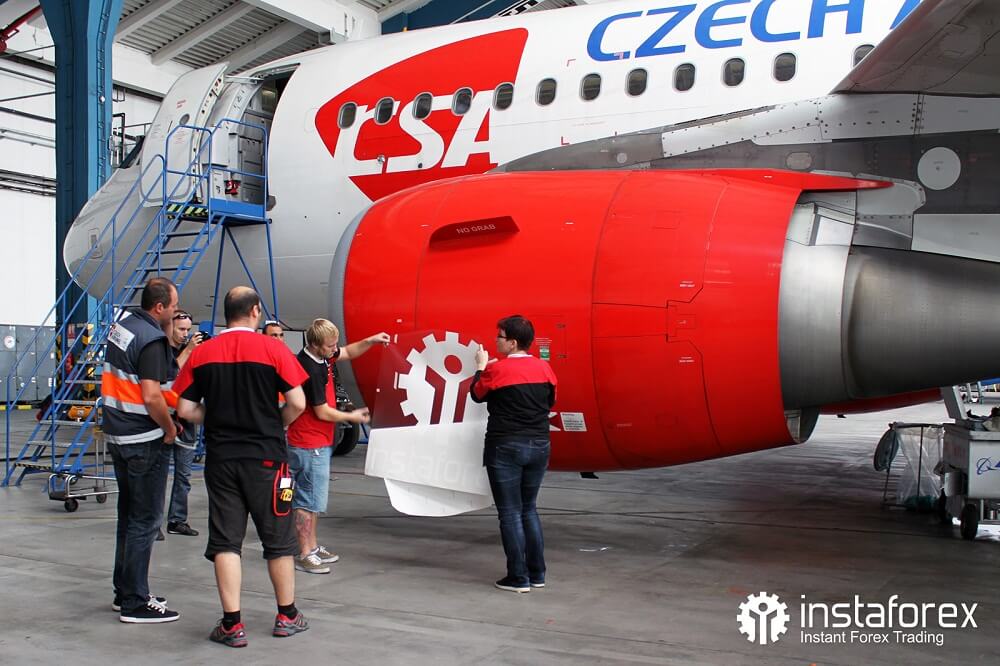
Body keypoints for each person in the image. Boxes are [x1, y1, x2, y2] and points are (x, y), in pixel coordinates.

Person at [175, 287, 309, 647]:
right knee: (278, 540)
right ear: (254, 311)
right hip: (268, 460)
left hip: (222, 460)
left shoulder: (203, 353)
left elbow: (184, 409)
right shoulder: (274, 350)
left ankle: (232, 624)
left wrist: (216, 418)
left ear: (226, 312)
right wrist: (275, 423)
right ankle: (287, 615)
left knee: (226, 541)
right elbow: (298, 402)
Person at [103, 277, 180, 623]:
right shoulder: (152, 339)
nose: (176, 312)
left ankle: (125, 590)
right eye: (174, 307)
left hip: (118, 435)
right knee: (146, 520)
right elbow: (151, 396)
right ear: (159, 307)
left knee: (128, 516)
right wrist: (170, 428)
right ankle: (135, 602)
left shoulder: (122, 329)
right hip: (144, 439)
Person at [286, 319, 386, 574]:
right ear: (315, 345)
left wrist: (371, 340)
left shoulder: (322, 356)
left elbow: (348, 352)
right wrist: (351, 416)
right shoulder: (310, 368)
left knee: (314, 500)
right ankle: (304, 553)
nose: (334, 349)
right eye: (330, 346)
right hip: (309, 443)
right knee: (307, 501)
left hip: (318, 441)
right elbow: (322, 412)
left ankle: (312, 546)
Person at [470, 315, 557, 593]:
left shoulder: (497, 370)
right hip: (540, 444)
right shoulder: (545, 369)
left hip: (505, 445)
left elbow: (476, 394)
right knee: (529, 509)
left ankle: (518, 577)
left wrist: (480, 368)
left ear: (513, 343)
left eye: (500, 336)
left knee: (509, 513)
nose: (496, 341)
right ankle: (537, 573)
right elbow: (550, 401)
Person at [162, 310, 203, 538]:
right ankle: (153, 523)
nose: (185, 334)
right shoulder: (160, 350)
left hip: (185, 421)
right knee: (158, 475)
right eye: (181, 329)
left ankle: (177, 519)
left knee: (184, 475)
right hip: (164, 419)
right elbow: (168, 375)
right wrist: (188, 351)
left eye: (188, 329)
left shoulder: (190, 351)